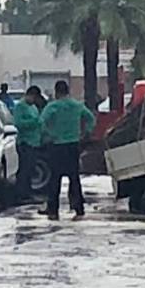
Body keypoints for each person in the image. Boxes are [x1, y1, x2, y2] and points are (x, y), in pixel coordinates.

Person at [39, 80, 95, 221]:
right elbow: (90, 118)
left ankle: (53, 210)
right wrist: (85, 132)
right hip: (73, 145)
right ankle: (78, 208)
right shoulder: (77, 106)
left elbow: (42, 122)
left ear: (56, 92)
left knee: (54, 179)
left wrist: (49, 135)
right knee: (74, 178)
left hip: (57, 146)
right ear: (68, 91)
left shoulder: (53, 107)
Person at [11, 86, 43, 202]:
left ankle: (28, 192)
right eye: (33, 97)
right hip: (25, 142)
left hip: (34, 142)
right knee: (24, 169)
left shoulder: (33, 107)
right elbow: (18, 123)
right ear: (29, 95)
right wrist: (34, 122)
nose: (34, 100)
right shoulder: (20, 106)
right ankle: (21, 194)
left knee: (30, 169)